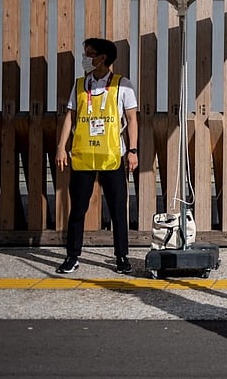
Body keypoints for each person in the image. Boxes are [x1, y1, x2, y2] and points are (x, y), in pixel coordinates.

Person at [54, 37, 139, 275]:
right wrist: (61, 146)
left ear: (102, 58)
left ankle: (121, 256)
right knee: (78, 208)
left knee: (117, 209)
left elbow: (132, 119)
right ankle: (72, 256)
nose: (85, 58)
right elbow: (70, 115)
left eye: (89, 54)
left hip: (112, 156)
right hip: (83, 156)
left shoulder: (123, 85)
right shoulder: (80, 85)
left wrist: (133, 151)